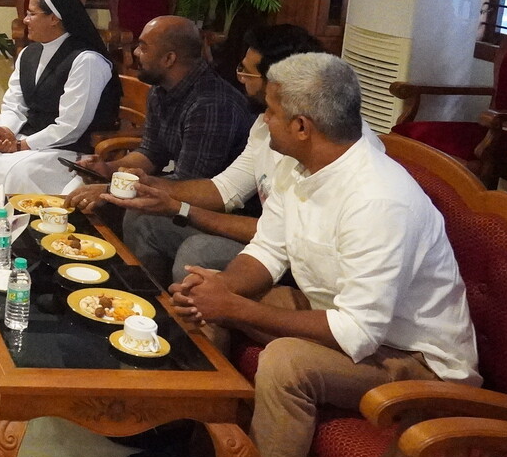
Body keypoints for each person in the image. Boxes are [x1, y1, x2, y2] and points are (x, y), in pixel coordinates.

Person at [162, 53, 478, 457]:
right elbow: (268, 249)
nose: (263, 118)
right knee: (202, 298)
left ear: (302, 126)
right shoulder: (299, 166)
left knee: (287, 362)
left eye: (271, 110)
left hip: (417, 360)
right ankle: (196, 449)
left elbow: (358, 330)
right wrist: (220, 289)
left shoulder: (379, 198)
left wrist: (237, 304)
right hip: (341, 316)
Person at [78, 24, 326, 289]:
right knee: (144, 220)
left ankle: (182, 312)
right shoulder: (263, 125)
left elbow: (281, 233)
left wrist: (177, 207)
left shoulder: (314, 143)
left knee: (197, 251)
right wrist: (145, 185)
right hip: (264, 233)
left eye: (246, 71)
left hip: (296, 255)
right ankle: (146, 301)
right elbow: (223, 189)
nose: (240, 77)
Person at [0, 0, 120, 195]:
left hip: (66, 148)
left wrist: (21, 145)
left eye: (31, 14)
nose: (25, 20)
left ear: (54, 18)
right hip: (25, 137)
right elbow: (14, 104)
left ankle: (9, 217)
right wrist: (6, 131)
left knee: (18, 172)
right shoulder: (28, 53)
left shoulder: (87, 60)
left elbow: (71, 125)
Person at [66, 15, 251, 204]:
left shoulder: (211, 105)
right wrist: (107, 169)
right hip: (179, 190)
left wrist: (111, 189)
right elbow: (151, 153)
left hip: (212, 205)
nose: (136, 52)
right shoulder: (161, 87)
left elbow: (189, 184)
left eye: (143, 47)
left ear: (169, 59)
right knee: (81, 193)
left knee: (110, 206)